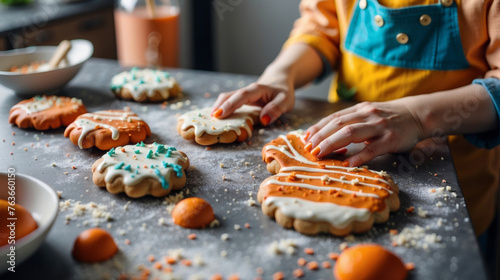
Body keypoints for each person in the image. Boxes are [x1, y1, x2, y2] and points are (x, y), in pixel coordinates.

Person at [211, 0, 500, 244]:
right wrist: (282, 74)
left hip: (452, 194)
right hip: (338, 155)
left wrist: (417, 116)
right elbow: (323, 27)